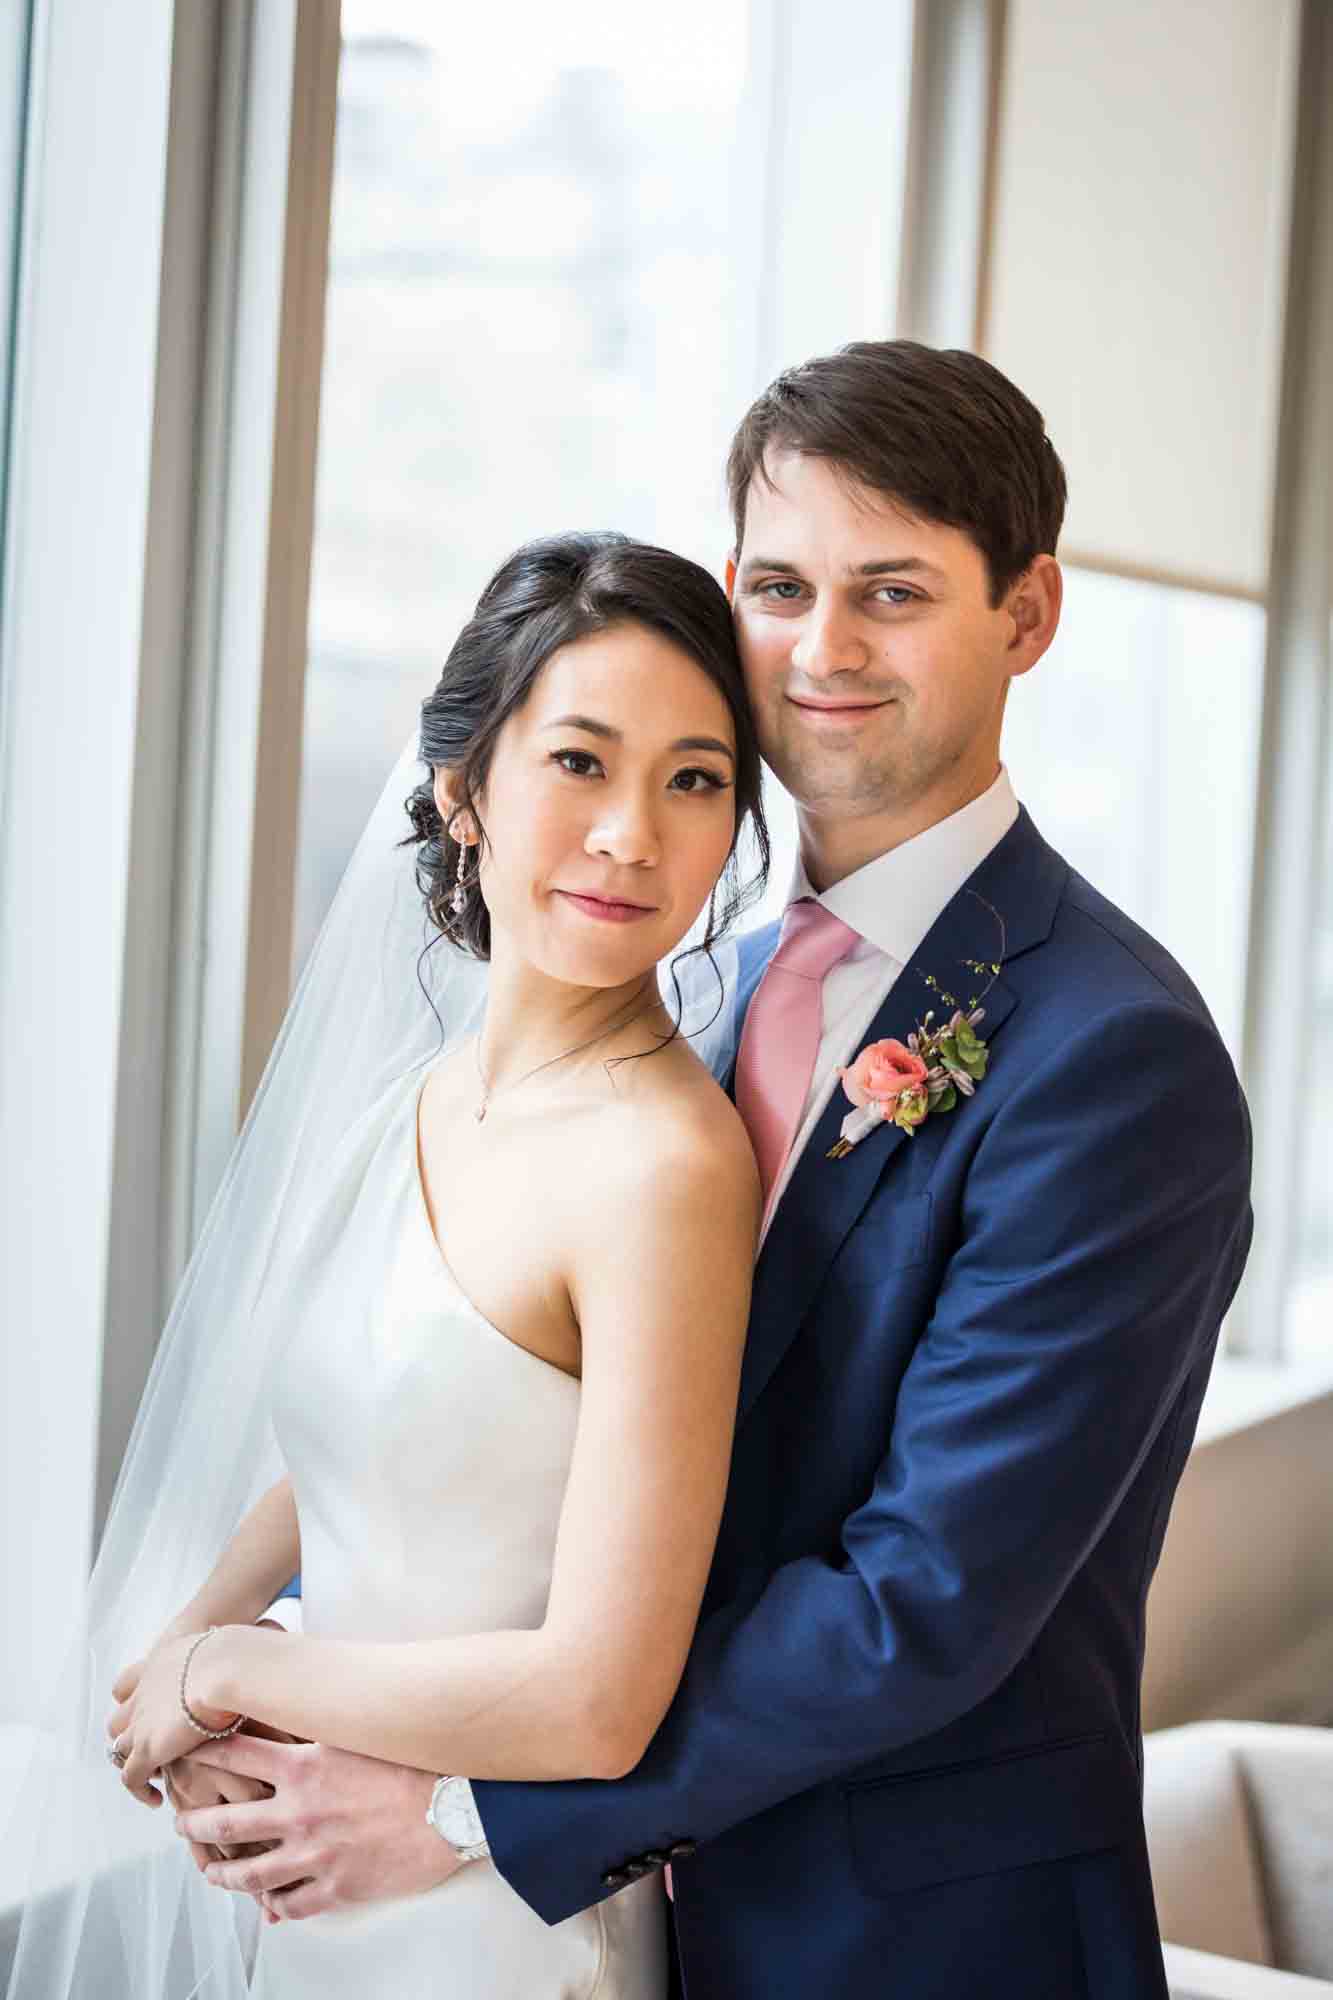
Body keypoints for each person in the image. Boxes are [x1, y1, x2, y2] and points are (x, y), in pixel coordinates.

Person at [166, 342, 1254, 2000]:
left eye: (889, 593)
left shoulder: (1110, 1053)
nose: (819, 652)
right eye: (775, 585)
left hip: (898, 1940)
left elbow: (924, 1602)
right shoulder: (696, 980)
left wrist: (472, 1810)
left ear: (1025, 615)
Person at [6, 534, 771, 1999]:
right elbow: (393, 1427)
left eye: (693, 779)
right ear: (462, 790)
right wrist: (184, 1636)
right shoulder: (420, 1098)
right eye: (580, 763)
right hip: (315, 1882)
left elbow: (597, 1701)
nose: (631, 834)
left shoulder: (661, 1169)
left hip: (494, 1935)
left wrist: (234, 1673)